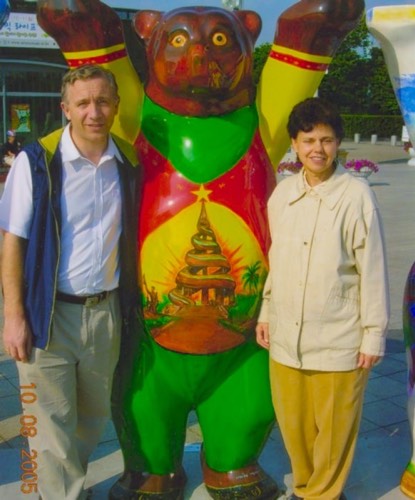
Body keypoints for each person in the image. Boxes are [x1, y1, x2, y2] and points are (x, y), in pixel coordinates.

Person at [0, 64, 139, 500]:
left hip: (105, 313)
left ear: (116, 106)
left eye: (102, 101)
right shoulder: (37, 163)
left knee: (92, 417)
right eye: (83, 103)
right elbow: (12, 240)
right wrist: (14, 316)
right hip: (49, 313)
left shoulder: (127, 162)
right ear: (66, 109)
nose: (93, 112)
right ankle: (61, 492)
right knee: (50, 421)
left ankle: (61, 484)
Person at [256, 97, 390, 500]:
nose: (318, 149)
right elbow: (275, 260)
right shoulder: (282, 196)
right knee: (294, 425)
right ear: (294, 144)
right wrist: (266, 312)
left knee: (333, 430)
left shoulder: (356, 196)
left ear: (338, 144)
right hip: (286, 337)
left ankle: (324, 494)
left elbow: (373, 268)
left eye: (327, 140)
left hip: (338, 338)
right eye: (309, 140)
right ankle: (304, 487)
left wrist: (373, 334)